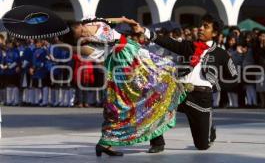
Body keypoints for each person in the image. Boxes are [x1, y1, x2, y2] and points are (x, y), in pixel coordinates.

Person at [59, 17, 186, 156]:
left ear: (78, 24)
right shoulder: (88, 45)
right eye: (79, 36)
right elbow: (97, 50)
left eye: (81, 31)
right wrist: (69, 44)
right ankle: (113, 142)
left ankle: (150, 139)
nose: (83, 34)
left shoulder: (91, 21)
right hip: (123, 64)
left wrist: (126, 20)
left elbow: (110, 21)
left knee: (158, 84)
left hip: (135, 52)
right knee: (132, 102)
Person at [133, 14, 238, 152]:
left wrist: (217, 86)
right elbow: (168, 42)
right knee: (154, 103)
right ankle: (157, 143)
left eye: (205, 26)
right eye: (201, 25)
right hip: (179, 91)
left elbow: (234, 77)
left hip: (201, 98)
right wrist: (144, 31)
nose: (200, 28)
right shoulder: (189, 46)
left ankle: (209, 129)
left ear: (214, 33)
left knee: (202, 146)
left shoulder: (221, 54)